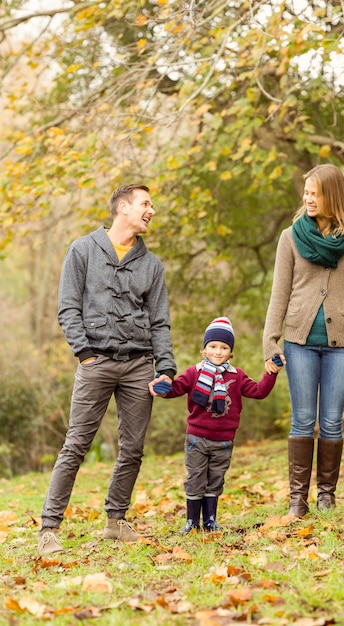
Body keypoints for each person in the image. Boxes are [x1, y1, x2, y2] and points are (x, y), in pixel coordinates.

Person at [38, 183, 176, 556]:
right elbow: (68, 308)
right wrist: (85, 354)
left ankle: (116, 521)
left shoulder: (152, 265)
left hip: (138, 366)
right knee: (75, 446)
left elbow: (160, 322)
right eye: (146, 204)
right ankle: (49, 528)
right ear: (122, 207)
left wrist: (165, 367)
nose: (152, 210)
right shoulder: (82, 250)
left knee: (133, 449)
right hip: (95, 362)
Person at [263, 164, 344, 517]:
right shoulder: (290, 237)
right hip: (298, 343)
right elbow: (279, 294)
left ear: (333, 195)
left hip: (343, 345)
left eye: (315, 193)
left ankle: (326, 496)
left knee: (331, 421)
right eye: (306, 192)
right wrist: (270, 342)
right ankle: (297, 501)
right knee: (302, 419)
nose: (308, 198)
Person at [149, 317, 279, 534]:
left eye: (224, 347)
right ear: (205, 349)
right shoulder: (194, 372)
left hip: (224, 440)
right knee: (196, 478)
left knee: (216, 479)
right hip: (197, 439)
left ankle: (210, 521)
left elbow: (259, 391)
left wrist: (271, 373)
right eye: (213, 346)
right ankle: (192, 522)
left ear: (230, 352)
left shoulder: (237, 376)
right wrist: (163, 385)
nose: (218, 352)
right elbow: (176, 388)